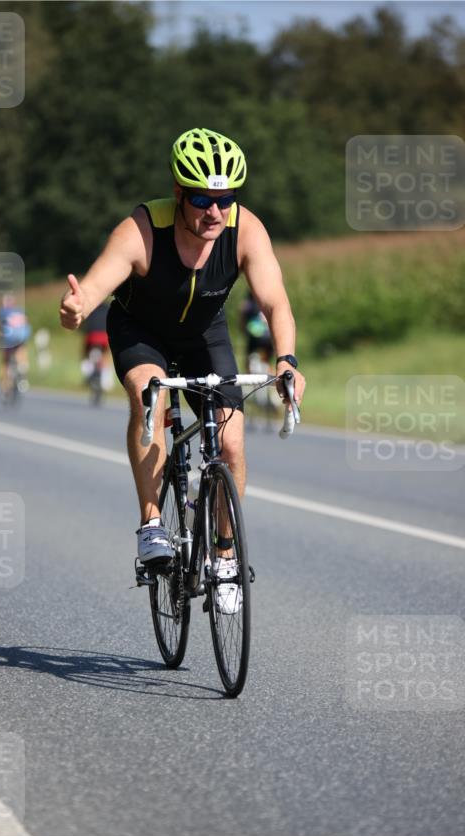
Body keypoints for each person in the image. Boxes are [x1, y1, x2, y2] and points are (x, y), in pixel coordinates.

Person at [59, 127, 305, 606]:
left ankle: (226, 556)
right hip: (141, 332)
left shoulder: (245, 229)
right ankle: (152, 523)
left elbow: (276, 303)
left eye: (225, 198)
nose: (215, 211)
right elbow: (93, 288)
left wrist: (287, 360)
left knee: (231, 442)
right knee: (151, 395)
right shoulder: (143, 230)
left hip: (203, 335)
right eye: (201, 199)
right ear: (178, 194)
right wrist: (78, 305)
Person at [0, 294, 31, 395]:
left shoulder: (2, 312)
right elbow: (26, 323)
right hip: (22, 335)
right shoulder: (20, 311)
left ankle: (5, 383)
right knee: (21, 350)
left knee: (5, 361)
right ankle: (23, 370)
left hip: (9, 338)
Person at [81, 301, 114, 393]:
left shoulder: (90, 308)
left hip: (92, 336)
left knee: (85, 353)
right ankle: (106, 379)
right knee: (105, 355)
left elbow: (84, 324)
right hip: (104, 337)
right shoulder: (108, 308)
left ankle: (87, 373)